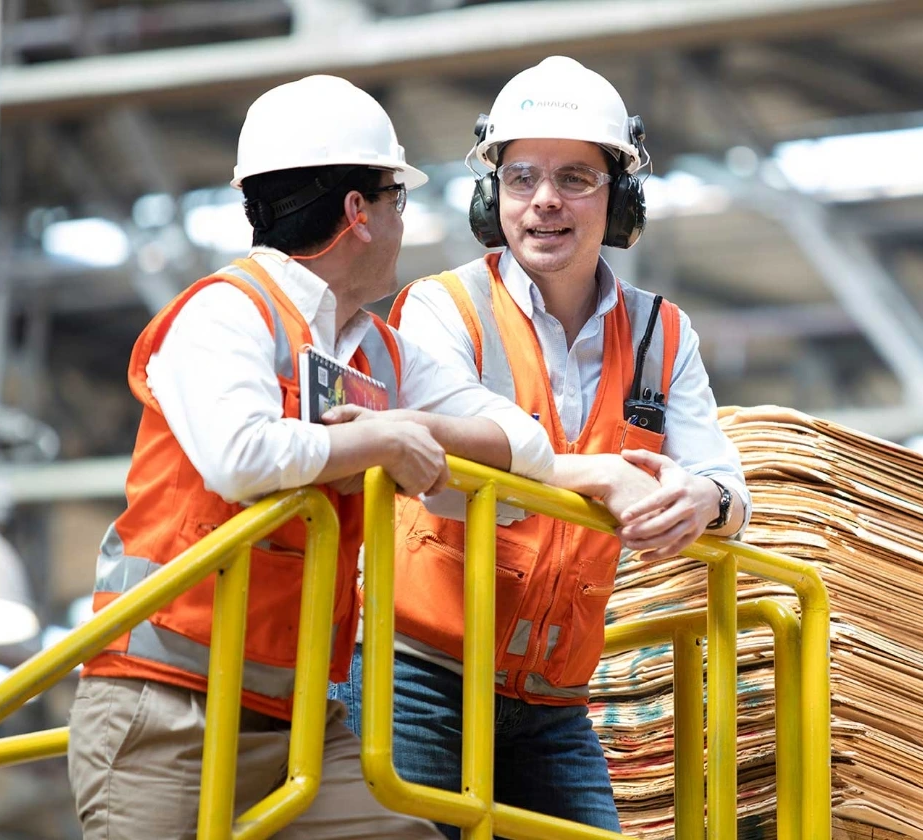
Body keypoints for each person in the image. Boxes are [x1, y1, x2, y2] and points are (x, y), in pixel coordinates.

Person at [66, 75, 554, 840]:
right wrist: (383, 438)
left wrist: (413, 428)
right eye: (397, 201)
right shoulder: (226, 312)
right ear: (358, 213)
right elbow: (241, 456)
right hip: (165, 707)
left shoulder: (381, 351)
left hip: (298, 723)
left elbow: (527, 448)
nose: (403, 223)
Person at [330, 56, 751, 836]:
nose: (545, 202)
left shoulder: (662, 336)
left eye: (575, 179)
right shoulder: (441, 310)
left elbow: (728, 487)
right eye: (521, 178)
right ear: (494, 196)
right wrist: (600, 478)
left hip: (553, 702)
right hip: (417, 673)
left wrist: (704, 498)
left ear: (618, 197)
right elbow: (443, 473)